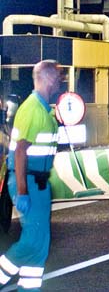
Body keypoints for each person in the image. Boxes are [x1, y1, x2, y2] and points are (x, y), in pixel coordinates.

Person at [0, 60, 62, 290]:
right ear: (46, 78)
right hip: (29, 183)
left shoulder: (45, 110)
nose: (61, 79)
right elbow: (20, 153)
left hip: (39, 184)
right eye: (58, 75)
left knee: (41, 244)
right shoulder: (31, 109)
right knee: (31, 241)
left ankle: (29, 289)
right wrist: (23, 192)